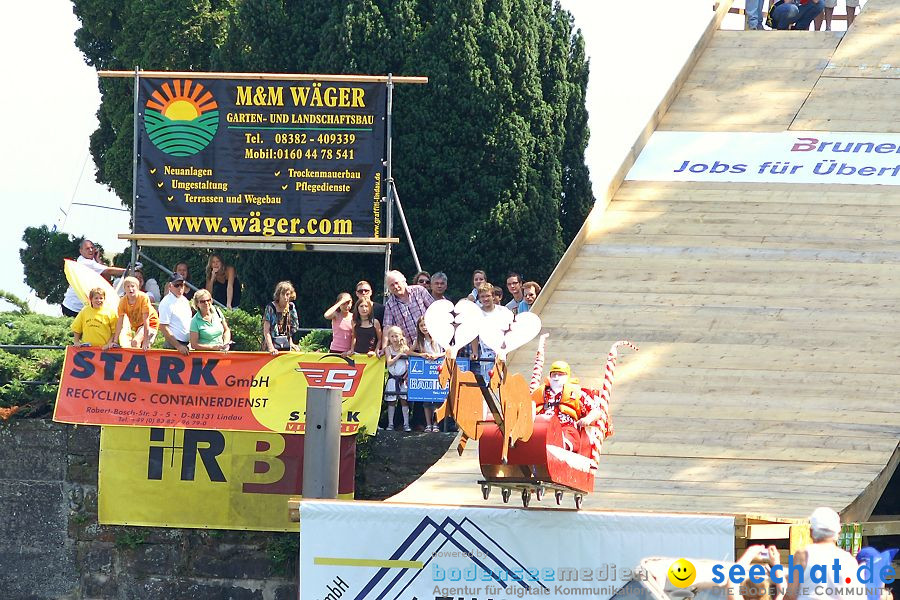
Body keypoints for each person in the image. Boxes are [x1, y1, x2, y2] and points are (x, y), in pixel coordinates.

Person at [784, 507, 866, 600]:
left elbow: (790, 595)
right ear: (838, 534)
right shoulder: (849, 560)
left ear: (811, 532)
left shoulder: (803, 555)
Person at [531, 360, 598, 453]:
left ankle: (561, 445)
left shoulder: (576, 392)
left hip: (566, 427)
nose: (556, 377)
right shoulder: (540, 392)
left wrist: (588, 419)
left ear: (567, 376)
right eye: (554, 374)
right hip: (543, 427)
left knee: (570, 435)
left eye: (560, 374)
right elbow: (528, 408)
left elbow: (596, 410)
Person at [61, 239, 126, 317]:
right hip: (73, 307)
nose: (91, 250)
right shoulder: (85, 262)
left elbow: (105, 277)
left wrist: (98, 259)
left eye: (92, 248)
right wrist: (129, 271)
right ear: (81, 251)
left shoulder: (91, 261)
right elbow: (108, 271)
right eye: (87, 248)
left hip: (81, 306)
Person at [382, 270, 434, 350]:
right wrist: (384, 348)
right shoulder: (390, 304)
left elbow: (434, 310)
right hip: (409, 348)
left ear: (403, 281)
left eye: (396, 283)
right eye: (392, 285)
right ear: (389, 288)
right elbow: (387, 328)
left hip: (429, 344)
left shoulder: (419, 291)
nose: (395, 287)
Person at [410, 316, 445, 432]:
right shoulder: (419, 340)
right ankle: (428, 424)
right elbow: (408, 351)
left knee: (437, 398)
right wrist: (420, 355)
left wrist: (436, 356)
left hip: (438, 369)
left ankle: (436, 423)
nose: (424, 328)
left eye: (426, 325)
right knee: (426, 400)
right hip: (426, 371)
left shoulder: (439, 338)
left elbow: (448, 351)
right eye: (421, 326)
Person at [106, 276, 159, 350]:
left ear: (137, 287)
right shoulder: (123, 301)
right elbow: (120, 322)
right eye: (127, 286)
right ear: (124, 289)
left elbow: (146, 320)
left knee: (136, 342)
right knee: (134, 344)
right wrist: (115, 341)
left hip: (150, 323)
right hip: (137, 325)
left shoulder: (143, 298)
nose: (130, 289)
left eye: (133, 286)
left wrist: (146, 340)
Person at [383, 325, 411, 432]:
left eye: (397, 336)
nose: (395, 339)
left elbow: (410, 362)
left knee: (404, 400)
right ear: (389, 338)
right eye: (392, 336)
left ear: (401, 336)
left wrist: (407, 374)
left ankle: (406, 424)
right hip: (392, 378)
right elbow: (389, 362)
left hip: (403, 379)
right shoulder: (388, 349)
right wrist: (399, 355)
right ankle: (390, 424)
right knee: (391, 401)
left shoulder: (405, 348)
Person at [157, 273, 193, 355]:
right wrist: (178, 346)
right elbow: (163, 327)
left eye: (182, 285)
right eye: (177, 285)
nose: (180, 288)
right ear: (170, 286)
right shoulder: (166, 302)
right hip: (173, 346)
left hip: (186, 344)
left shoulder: (185, 300)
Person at [469, 283, 499, 380]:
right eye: (482, 296)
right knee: (488, 383)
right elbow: (474, 334)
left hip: (501, 353)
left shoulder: (502, 311)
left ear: (493, 296)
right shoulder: (476, 313)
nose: (485, 299)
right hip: (486, 355)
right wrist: (475, 352)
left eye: (488, 296)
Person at [262, 281, 300, 355]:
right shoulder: (271, 307)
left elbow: (290, 329)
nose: (286, 297)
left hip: (285, 345)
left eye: (288, 294)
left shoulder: (291, 307)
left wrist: (291, 344)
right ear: (278, 295)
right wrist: (271, 347)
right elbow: (266, 331)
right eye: (283, 294)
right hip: (271, 345)